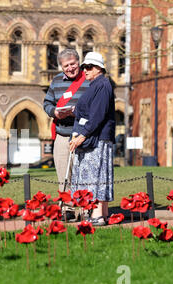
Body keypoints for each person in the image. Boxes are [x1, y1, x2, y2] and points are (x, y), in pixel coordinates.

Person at [69, 52, 116, 226]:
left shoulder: (102, 85)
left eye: (89, 67)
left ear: (99, 68)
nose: (85, 70)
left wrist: (83, 135)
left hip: (97, 138)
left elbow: (98, 115)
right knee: (98, 174)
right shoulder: (97, 84)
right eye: (84, 67)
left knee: (96, 175)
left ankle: (97, 214)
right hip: (97, 136)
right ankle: (101, 213)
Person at [43, 48, 90, 220]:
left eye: (73, 64)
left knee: (84, 173)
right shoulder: (56, 81)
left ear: (79, 62)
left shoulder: (89, 80)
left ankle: (86, 209)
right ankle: (67, 209)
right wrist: (54, 112)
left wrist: (79, 112)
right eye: (66, 66)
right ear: (61, 68)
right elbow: (47, 103)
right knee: (64, 174)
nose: (70, 68)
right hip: (62, 134)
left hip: (84, 135)